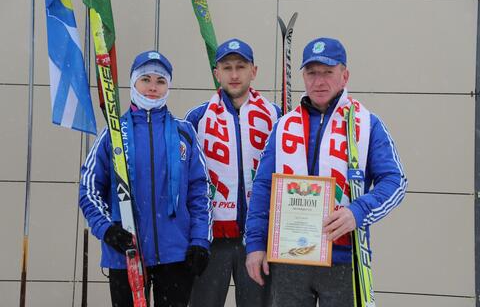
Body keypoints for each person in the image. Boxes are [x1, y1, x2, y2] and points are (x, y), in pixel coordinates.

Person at [245, 37, 407, 307]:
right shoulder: (285, 125)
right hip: (289, 258)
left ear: (344, 76)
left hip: (344, 258)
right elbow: (263, 187)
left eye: (328, 72)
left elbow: (395, 181)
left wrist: (358, 211)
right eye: (311, 73)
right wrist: (255, 244)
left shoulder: (365, 123)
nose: (319, 81)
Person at [79, 50, 212, 307]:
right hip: (125, 253)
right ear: (134, 82)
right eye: (146, 79)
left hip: (175, 255)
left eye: (160, 81)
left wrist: (199, 241)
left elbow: (200, 192)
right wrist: (107, 229)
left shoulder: (184, 132)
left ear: (168, 86)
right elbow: (88, 189)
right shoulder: (113, 134)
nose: (153, 87)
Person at [186, 38, 281, 307]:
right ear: (217, 73)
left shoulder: (276, 116)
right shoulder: (197, 118)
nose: (235, 74)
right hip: (212, 237)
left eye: (241, 66)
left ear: (254, 71)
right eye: (227, 67)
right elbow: (187, 180)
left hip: (258, 239)